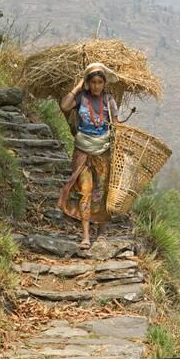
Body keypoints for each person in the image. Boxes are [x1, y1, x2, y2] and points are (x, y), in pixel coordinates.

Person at [57, 62, 119, 249]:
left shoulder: (109, 100)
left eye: (100, 82)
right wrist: (77, 87)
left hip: (103, 152)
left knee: (102, 192)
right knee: (85, 191)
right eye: (93, 82)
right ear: (88, 82)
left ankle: (101, 233)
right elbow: (65, 106)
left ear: (104, 83)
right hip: (82, 152)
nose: (96, 86)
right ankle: (85, 235)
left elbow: (116, 126)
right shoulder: (81, 98)